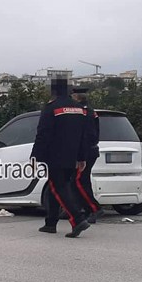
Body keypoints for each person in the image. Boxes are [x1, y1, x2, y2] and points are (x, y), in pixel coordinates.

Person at [31, 78, 92, 238]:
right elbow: (84, 136)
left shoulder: (51, 108)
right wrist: (82, 157)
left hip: (55, 155)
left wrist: (35, 156)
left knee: (59, 188)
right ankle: (50, 223)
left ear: (54, 91)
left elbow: (43, 134)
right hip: (72, 156)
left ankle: (78, 219)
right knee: (57, 188)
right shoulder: (80, 109)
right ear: (69, 90)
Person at [71, 87, 104, 223]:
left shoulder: (83, 113)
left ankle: (94, 208)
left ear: (77, 97)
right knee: (82, 181)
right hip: (89, 150)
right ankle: (87, 210)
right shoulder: (90, 111)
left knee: (78, 182)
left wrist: (81, 156)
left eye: (72, 96)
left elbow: (87, 135)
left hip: (86, 152)